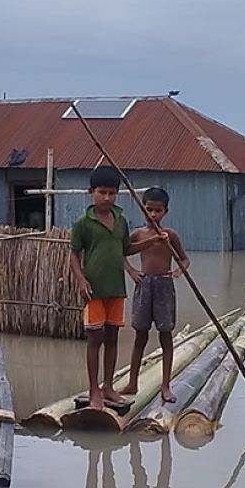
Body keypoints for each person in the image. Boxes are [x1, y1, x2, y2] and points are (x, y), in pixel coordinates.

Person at [69, 166, 162, 410]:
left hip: (116, 289)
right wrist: (81, 280)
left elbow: (125, 250)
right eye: (102, 192)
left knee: (112, 339)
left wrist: (152, 241)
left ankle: (108, 386)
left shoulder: (120, 220)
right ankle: (93, 390)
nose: (107, 198)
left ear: (117, 194)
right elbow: (74, 254)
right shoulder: (84, 223)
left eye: (112, 193)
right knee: (94, 340)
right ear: (91, 192)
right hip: (94, 290)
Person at [120, 187, 188, 403]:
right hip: (144, 284)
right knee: (140, 334)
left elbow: (184, 258)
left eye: (157, 211)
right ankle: (132, 383)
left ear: (165, 212)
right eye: (149, 209)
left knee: (165, 334)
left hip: (164, 286)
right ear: (143, 209)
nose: (152, 215)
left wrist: (179, 270)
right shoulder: (139, 234)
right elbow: (121, 252)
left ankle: (166, 386)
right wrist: (131, 271)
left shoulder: (170, 236)